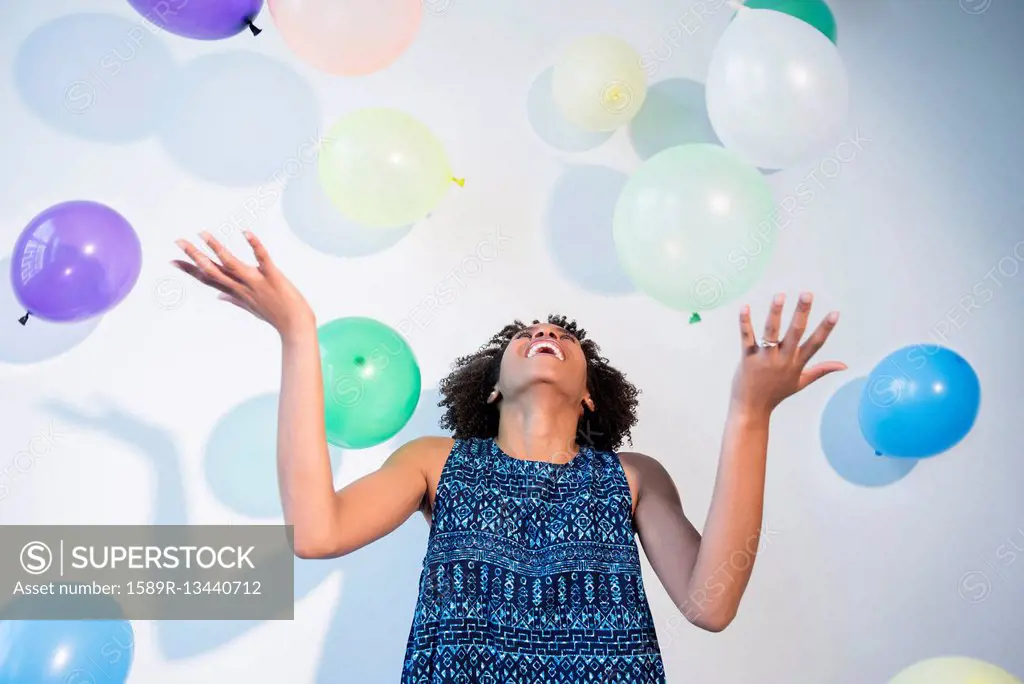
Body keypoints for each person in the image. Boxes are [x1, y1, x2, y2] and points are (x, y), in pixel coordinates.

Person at [173, 230, 846, 683]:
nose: (546, 332)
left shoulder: (631, 478)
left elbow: (711, 602)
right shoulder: (436, 462)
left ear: (589, 398)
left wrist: (750, 413)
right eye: (527, 334)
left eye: (564, 337)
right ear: (493, 384)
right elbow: (317, 533)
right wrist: (298, 333)